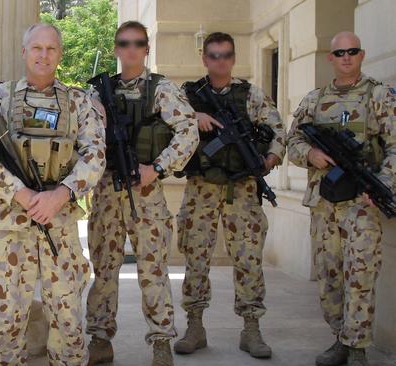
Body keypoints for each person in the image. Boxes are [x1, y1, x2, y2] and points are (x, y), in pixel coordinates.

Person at [0, 23, 106, 365]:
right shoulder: (1, 96)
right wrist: (22, 194)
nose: (44, 56)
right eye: (37, 48)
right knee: (4, 327)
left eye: (51, 49)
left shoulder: (77, 102)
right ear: (24, 52)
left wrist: (61, 194)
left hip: (59, 227)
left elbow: (96, 153)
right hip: (10, 230)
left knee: (69, 323)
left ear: (59, 54)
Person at [84, 20, 199, 366]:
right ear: (117, 48)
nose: (130, 49)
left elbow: (188, 131)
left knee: (153, 269)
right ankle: (100, 339)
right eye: (124, 43)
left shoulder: (161, 89)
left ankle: (161, 342)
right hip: (106, 190)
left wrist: (158, 168)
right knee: (104, 268)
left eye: (137, 43)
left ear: (146, 49)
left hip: (146, 191)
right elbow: (82, 137)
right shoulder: (97, 91)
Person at [287, 31, 396, 366]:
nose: (346, 57)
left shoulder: (379, 96)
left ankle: (357, 347)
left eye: (353, 51)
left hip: (362, 203)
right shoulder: (315, 99)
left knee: (360, 275)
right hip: (325, 203)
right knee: (329, 275)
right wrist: (311, 154)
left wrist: (380, 184)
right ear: (330, 58)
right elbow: (291, 140)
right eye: (340, 52)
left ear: (361, 55)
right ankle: (340, 339)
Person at [174, 31, 285, 359]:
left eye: (225, 55)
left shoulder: (250, 95)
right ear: (204, 59)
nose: (220, 61)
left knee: (249, 259)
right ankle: (195, 326)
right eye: (213, 56)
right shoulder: (187, 94)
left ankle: (251, 328)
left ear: (233, 58)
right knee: (195, 258)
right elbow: (167, 123)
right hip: (201, 189)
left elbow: (278, 132)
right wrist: (194, 116)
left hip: (242, 189)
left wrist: (270, 158)